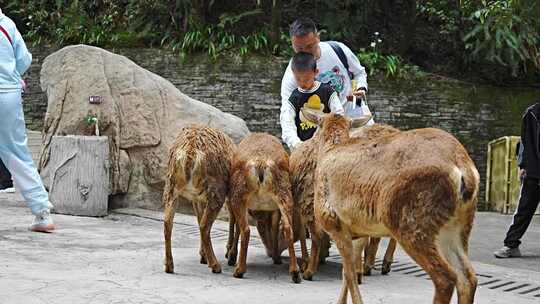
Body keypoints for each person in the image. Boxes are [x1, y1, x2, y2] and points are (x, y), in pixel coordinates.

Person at [280, 17, 374, 149]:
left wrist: (361, 88)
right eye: (299, 49)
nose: (306, 52)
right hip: (328, 134)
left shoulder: (338, 50)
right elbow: (287, 114)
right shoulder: (293, 75)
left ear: (318, 37)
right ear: (292, 44)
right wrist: (296, 144)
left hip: (358, 120)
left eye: (309, 46)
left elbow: (359, 73)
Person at [0, 8, 55, 232]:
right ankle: (42, 213)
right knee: (17, 152)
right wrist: (12, 76)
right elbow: (24, 59)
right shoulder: (8, 25)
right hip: (9, 94)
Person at [494, 103, 540, 258]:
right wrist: (523, 165)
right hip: (535, 171)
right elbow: (525, 141)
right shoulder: (532, 113)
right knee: (524, 210)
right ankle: (511, 245)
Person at [285, 51, 344, 143]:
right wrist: (295, 143)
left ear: (316, 72)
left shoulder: (327, 91)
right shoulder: (294, 97)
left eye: (306, 79)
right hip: (303, 144)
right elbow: (288, 122)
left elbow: (338, 113)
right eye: (298, 79)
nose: (302, 83)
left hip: (325, 142)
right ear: (293, 73)